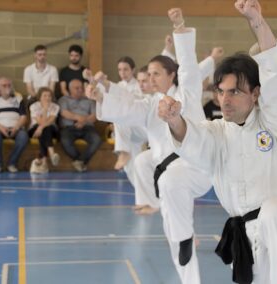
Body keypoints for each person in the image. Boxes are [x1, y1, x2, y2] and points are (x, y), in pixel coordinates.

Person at [158, 1, 277, 283]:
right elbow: (192, 140)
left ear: (255, 94)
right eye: (221, 91)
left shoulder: (275, 118)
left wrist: (256, 21)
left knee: (274, 212)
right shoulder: (217, 133)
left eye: (235, 91)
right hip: (248, 238)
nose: (225, 99)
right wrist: (174, 120)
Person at [86, 8, 212, 283]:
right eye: (149, 74)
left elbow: (189, 65)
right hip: (170, 176)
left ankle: (187, 237)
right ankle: (187, 256)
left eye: (156, 74)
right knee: (173, 232)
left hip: (197, 167)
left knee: (170, 186)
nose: (151, 79)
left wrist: (180, 26)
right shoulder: (149, 104)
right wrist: (99, 95)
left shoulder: (187, 93)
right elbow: (125, 108)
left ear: (171, 76)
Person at [0, 77, 28, 173]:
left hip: (15, 126)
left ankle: (11, 163)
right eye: (4, 85)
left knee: (24, 136)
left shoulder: (18, 98)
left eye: (9, 85)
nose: (7, 87)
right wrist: (1, 128)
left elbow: (23, 117)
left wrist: (16, 128)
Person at [58, 79, 101, 172]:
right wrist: (80, 118)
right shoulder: (63, 100)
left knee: (97, 139)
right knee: (65, 140)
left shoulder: (89, 100)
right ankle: (80, 160)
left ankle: (79, 161)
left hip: (87, 127)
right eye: (77, 88)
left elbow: (95, 116)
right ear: (70, 89)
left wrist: (84, 121)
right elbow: (64, 113)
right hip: (69, 128)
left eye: (81, 88)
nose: (80, 90)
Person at [28, 87, 60, 174]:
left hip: (50, 129)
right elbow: (40, 121)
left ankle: (44, 161)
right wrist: (45, 109)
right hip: (34, 128)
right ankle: (52, 154)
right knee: (45, 131)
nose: (47, 98)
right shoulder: (34, 106)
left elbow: (51, 121)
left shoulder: (55, 106)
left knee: (46, 129)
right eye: (45, 96)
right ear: (40, 97)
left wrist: (41, 128)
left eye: (49, 96)